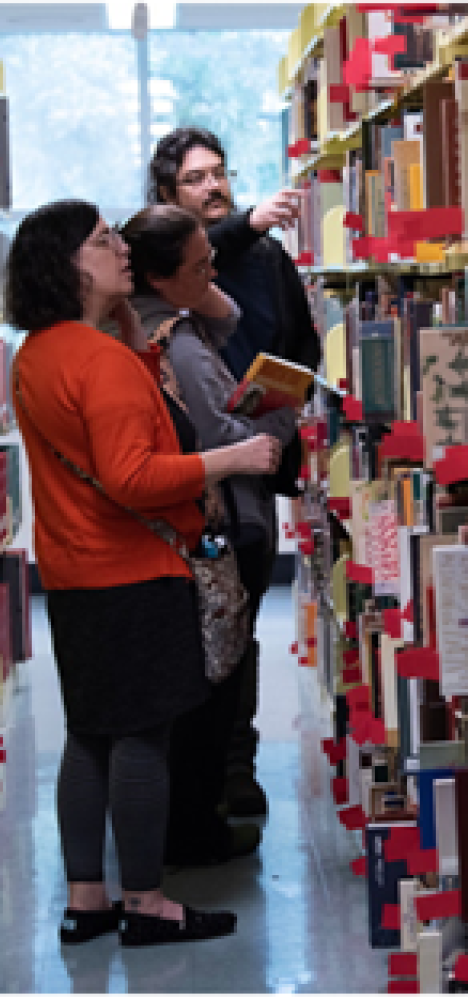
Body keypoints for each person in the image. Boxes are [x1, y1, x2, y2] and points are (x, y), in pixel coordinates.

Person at [3, 198, 283, 945]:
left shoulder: (38, 351)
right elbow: (133, 476)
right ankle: (149, 903)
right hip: (133, 571)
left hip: (70, 570)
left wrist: (132, 342)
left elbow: (100, 440)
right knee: (142, 740)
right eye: (101, 241)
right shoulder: (98, 361)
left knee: (90, 734)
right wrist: (236, 457)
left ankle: (86, 899)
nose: (119, 248)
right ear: (68, 266)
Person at [148, 126, 320, 818]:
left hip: (252, 463)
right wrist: (245, 225)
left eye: (220, 174)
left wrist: (273, 413)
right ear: (166, 193)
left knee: (239, 621)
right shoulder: (154, 261)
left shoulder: (268, 260)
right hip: (177, 476)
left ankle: (233, 767)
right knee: (186, 630)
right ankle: (186, 780)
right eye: (195, 179)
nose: (213, 187)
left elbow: (299, 345)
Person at [120, 203, 299, 855]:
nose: (215, 270)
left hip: (206, 514)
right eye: (200, 265)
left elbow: (229, 320)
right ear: (161, 280)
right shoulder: (178, 342)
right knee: (216, 678)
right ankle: (197, 825)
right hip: (225, 514)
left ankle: (194, 815)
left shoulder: (169, 320)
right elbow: (220, 434)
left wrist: (198, 289)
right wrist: (282, 420)